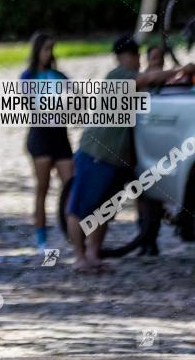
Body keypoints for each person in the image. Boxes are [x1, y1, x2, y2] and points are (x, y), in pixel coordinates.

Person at [65, 35, 195, 272]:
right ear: (129, 56)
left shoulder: (132, 78)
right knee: (81, 207)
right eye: (136, 56)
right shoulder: (118, 76)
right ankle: (79, 257)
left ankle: (93, 255)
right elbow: (148, 77)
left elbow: (153, 79)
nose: (137, 61)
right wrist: (182, 68)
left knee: (103, 210)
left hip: (114, 159)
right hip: (96, 154)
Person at [21, 32, 74, 251]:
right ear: (37, 51)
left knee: (71, 185)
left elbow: (76, 97)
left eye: (51, 49)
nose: (49, 54)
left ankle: (75, 232)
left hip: (60, 135)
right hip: (41, 136)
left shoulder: (59, 75)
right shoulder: (28, 76)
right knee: (42, 187)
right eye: (45, 49)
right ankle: (41, 237)